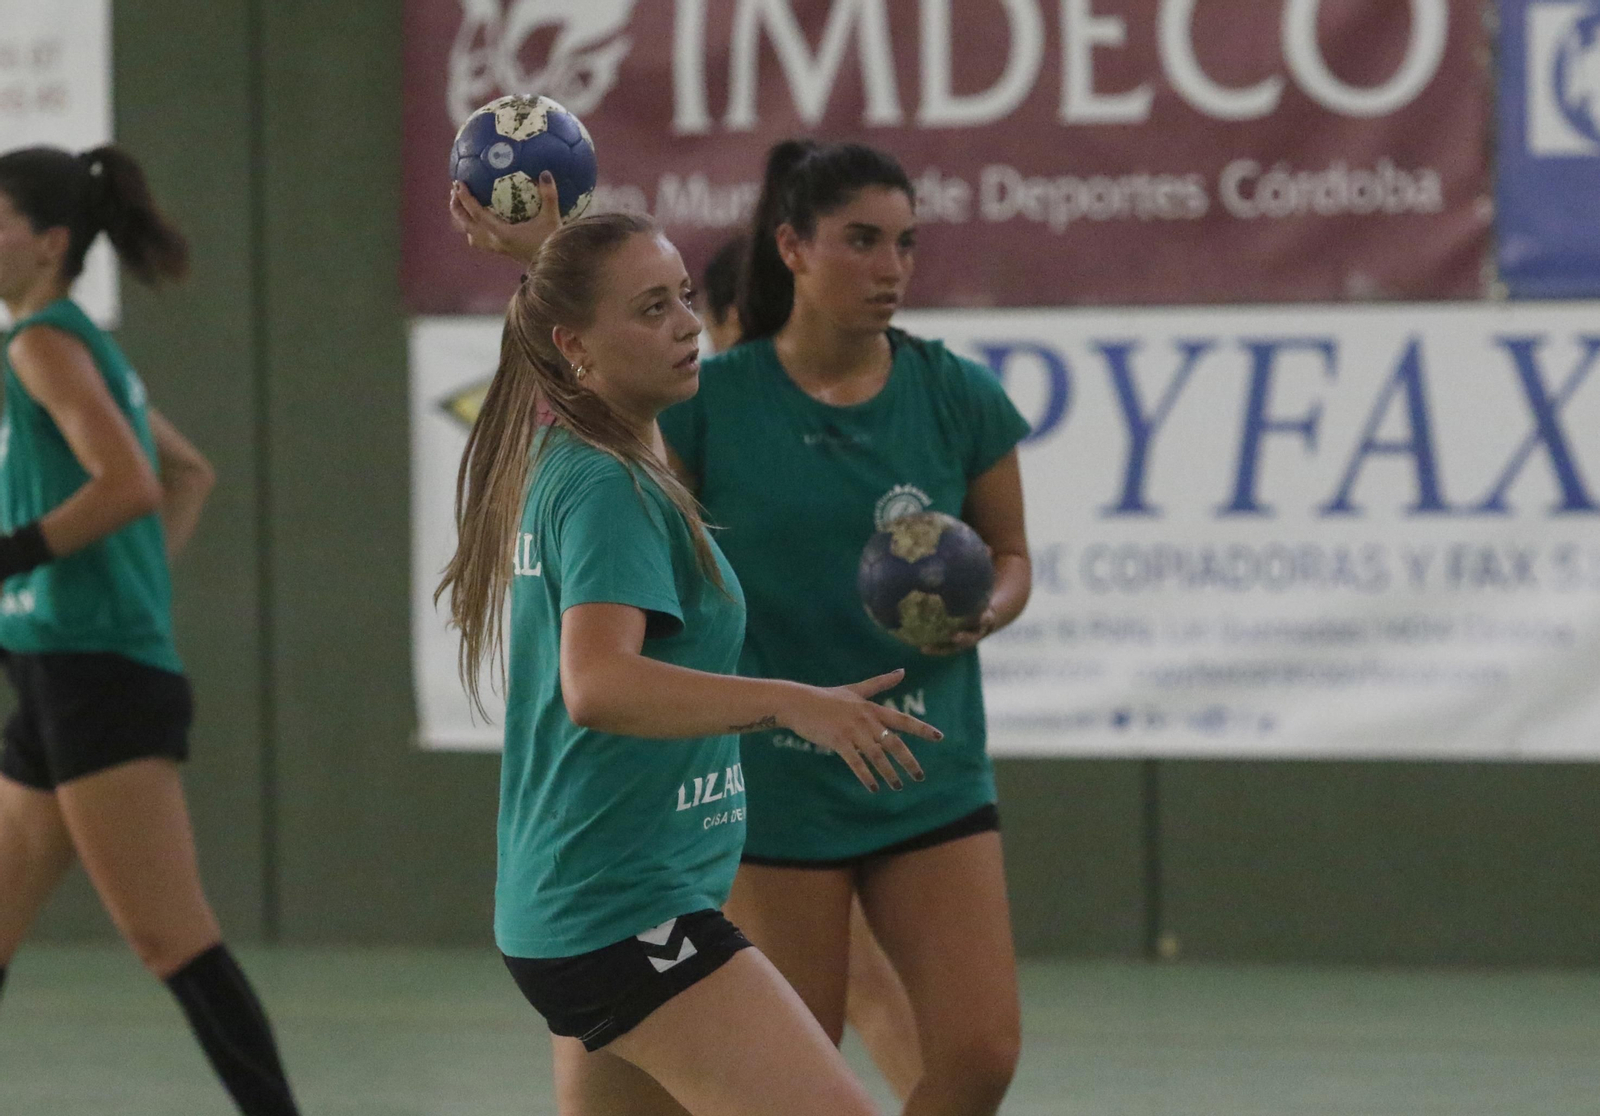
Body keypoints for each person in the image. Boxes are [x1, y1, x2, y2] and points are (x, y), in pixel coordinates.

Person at [441, 177, 942, 1116]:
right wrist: (788, 699)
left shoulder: (584, 449)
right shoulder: (604, 487)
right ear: (576, 347)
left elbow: (548, 340)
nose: (686, 325)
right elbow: (597, 683)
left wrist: (540, 256)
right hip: (622, 914)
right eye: (650, 308)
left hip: (578, 909)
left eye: (681, 297)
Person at [659, 141, 1033, 1116]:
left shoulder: (954, 395)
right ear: (791, 246)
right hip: (779, 780)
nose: (890, 268)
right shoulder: (710, 404)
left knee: (983, 1050)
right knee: (797, 1066)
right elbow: (655, 576)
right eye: (861, 241)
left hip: (926, 766)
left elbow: (1012, 555)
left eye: (904, 244)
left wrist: (984, 609)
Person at [0, 145, 302, 1115]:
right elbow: (187, 473)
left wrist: (12, 560)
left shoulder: (42, 343)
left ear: (47, 243)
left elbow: (129, 481)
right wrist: (123, 596)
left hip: (97, 683)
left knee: (171, 939)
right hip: (56, 673)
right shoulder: (78, 341)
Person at [701, 229, 926, 1104]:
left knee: (824, 990)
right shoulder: (694, 442)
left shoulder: (747, 445)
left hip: (762, 768)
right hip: (751, 764)